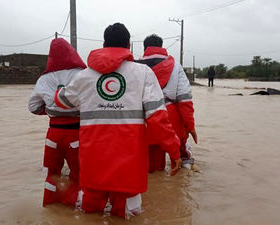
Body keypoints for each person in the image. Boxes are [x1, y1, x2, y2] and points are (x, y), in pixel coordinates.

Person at [54, 23, 182, 218]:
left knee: (90, 215)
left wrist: (57, 88)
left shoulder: (83, 76)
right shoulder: (144, 74)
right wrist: (174, 150)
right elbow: (158, 119)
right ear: (129, 46)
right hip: (129, 167)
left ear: (104, 44)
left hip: (93, 163)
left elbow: (62, 101)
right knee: (126, 217)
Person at [28, 38, 87, 207]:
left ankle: (51, 206)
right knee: (78, 173)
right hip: (77, 133)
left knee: (53, 173)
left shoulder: (44, 79)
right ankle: (74, 206)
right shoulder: (82, 74)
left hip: (53, 134)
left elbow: (32, 107)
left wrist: (51, 109)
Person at [135, 34, 197, 171]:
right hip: (172, 119)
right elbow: (185, 100)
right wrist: (190, 126)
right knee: (181, 157)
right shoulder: (176, 66)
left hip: (144, 120)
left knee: (152, 170)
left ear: (145, 47)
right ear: (161, 46)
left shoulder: (135, 66)